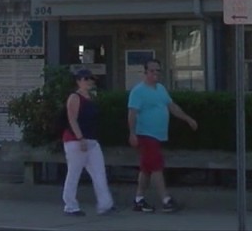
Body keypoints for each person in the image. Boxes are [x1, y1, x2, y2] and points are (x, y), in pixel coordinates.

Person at [127, 58, 198, 213]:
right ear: (145, 72)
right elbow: (132, 113)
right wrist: (132, 133)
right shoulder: (138, 91)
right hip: (146, 134)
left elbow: (172, 106)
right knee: (157, 166)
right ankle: (166, 200)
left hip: (158, 135)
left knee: (146, 168)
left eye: (158, 70)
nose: (155, 73)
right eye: (152, 70)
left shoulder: (160, 89)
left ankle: (139, 199)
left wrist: (188, 118)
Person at [61, 68, 115, 216]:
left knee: (99, 172)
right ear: (78, 81)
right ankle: (70, 205)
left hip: (92, 140)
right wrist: (80, 138)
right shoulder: (74, 97)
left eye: (90, 79)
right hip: (75, 140)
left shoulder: (91, 97)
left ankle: (105, 204)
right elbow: (72, 118)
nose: (88, 82)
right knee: (74, 173)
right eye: (85, 79)